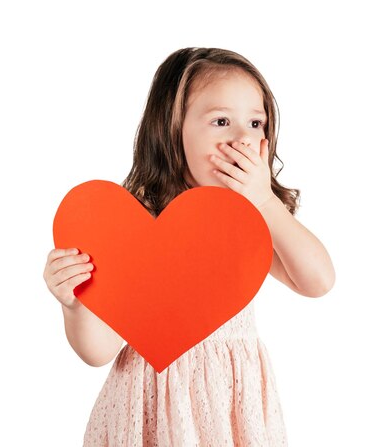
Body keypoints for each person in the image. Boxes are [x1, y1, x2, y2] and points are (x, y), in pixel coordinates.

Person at [43, 47, 335, 446]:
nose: (243, 138)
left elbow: (317, 281)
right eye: (221, 121)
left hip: (229, 411)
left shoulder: (248, 221)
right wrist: (74, 304)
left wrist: (265, 201)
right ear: (171, 128)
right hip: (149, 412)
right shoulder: (132, 222)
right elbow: (98, 351)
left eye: (255, 122)